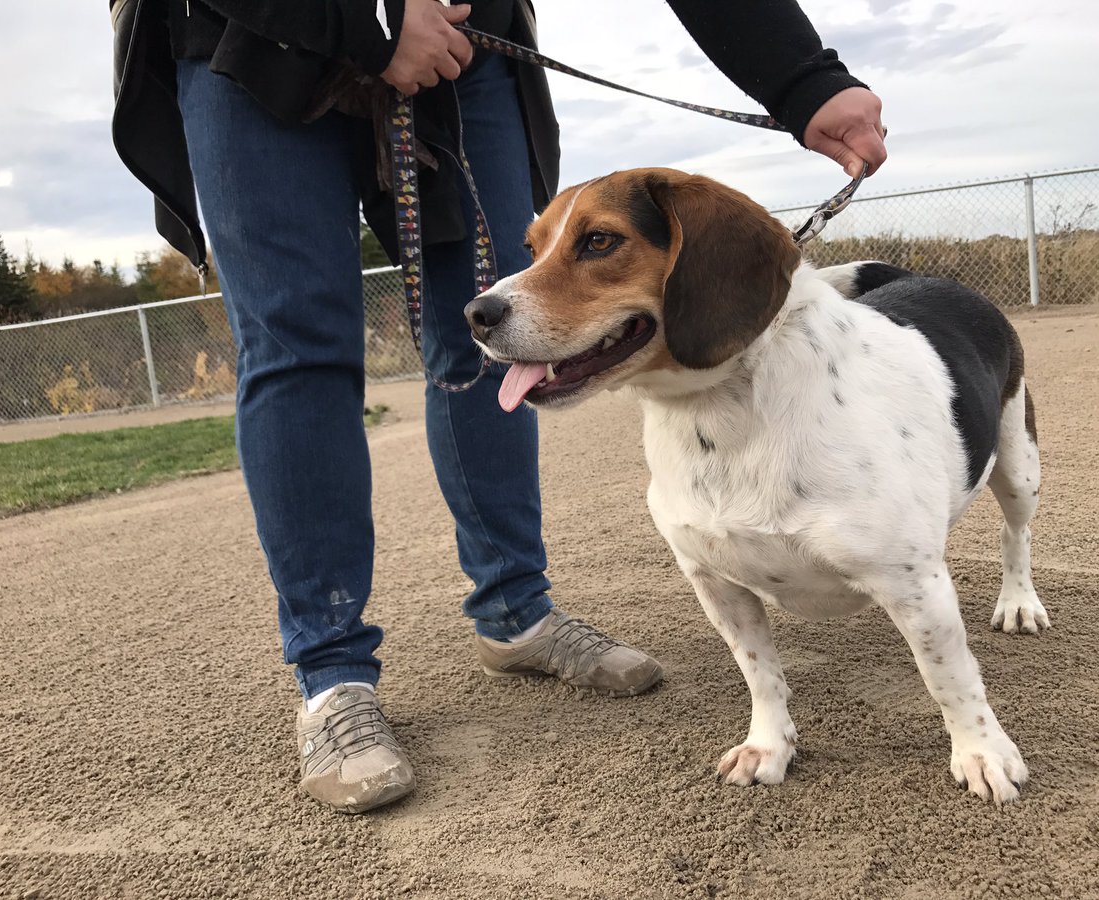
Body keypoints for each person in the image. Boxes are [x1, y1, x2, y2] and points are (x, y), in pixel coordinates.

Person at [110, 0, 886, 814]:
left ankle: (517, 612)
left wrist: (803, 79)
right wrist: (367, 22)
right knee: (297, 348)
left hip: (460, 52)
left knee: (503, 329)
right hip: (248, 38)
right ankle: (331, 675)